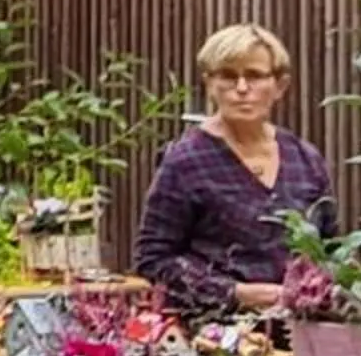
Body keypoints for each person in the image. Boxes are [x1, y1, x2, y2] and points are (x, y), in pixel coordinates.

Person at [136, 23, 334, 317]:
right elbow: (153, 260)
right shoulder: (186, 161)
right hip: (217, 335)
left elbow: (330, 251)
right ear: (209, 84)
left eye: (254, 76)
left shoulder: (305, 159)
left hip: (303, 330)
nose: (242, 89)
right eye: (228, 76)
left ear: (280, 86)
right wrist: (235, 293)